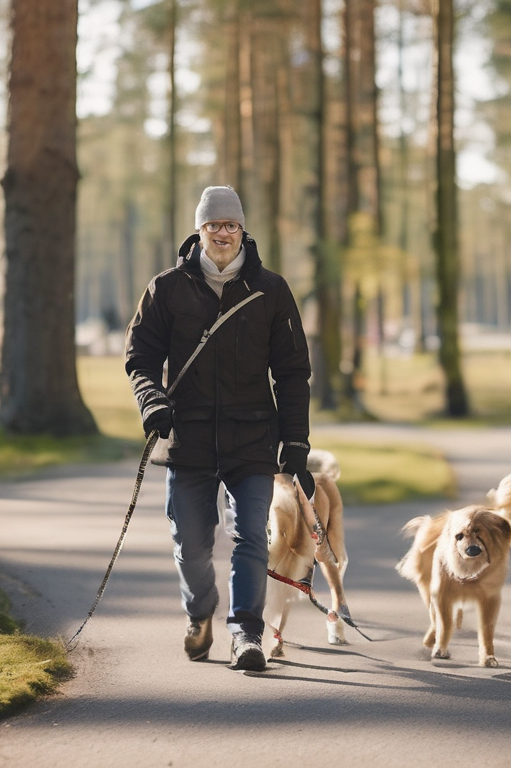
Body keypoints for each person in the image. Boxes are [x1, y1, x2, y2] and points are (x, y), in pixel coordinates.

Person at [125, 186, 314, 672]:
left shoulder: (270, 290)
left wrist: (295, 446)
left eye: (230, 224)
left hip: (252, 438)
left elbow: (292, 372)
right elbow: (140, 358)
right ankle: (199, 614)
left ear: (242, 229)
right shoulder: (166, 288)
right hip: (186, 437)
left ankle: (246, 632)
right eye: (213, 225)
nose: (222, 233)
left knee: (251, 536)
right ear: (199, 230)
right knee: (190, 543)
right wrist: (152, 401)